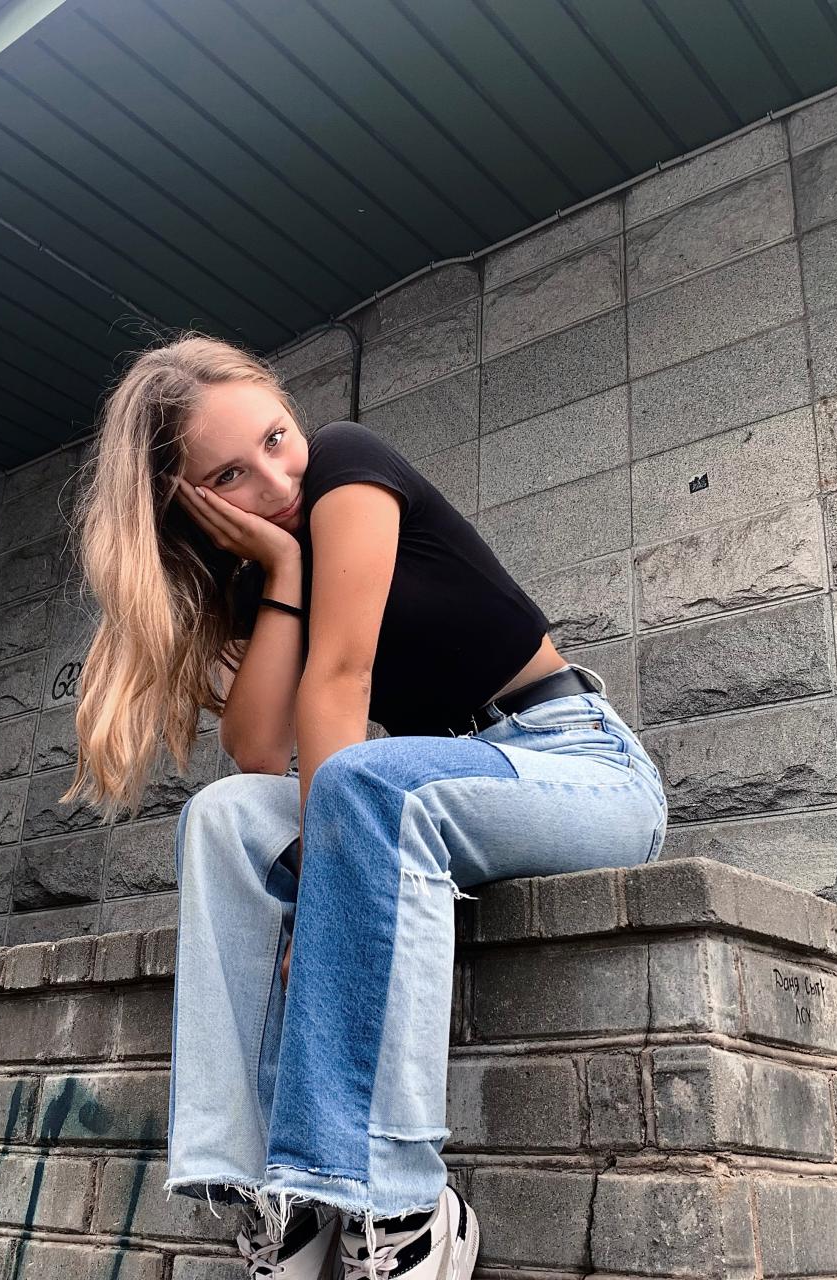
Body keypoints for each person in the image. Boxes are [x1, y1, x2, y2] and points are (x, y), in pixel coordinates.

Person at [64, 331, 668, 1280]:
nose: (277, 479)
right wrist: (284, 576)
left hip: (576, 764)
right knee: (224, 819)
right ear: (190, 506)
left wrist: (324, 894)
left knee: (357, 783)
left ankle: (400, 1204)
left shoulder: (347, 462)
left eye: (275, 437)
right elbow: (257, 750)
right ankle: (279, 1199)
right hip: (440, 787)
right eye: (230, 475)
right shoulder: (266, 577)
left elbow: (339, 682)